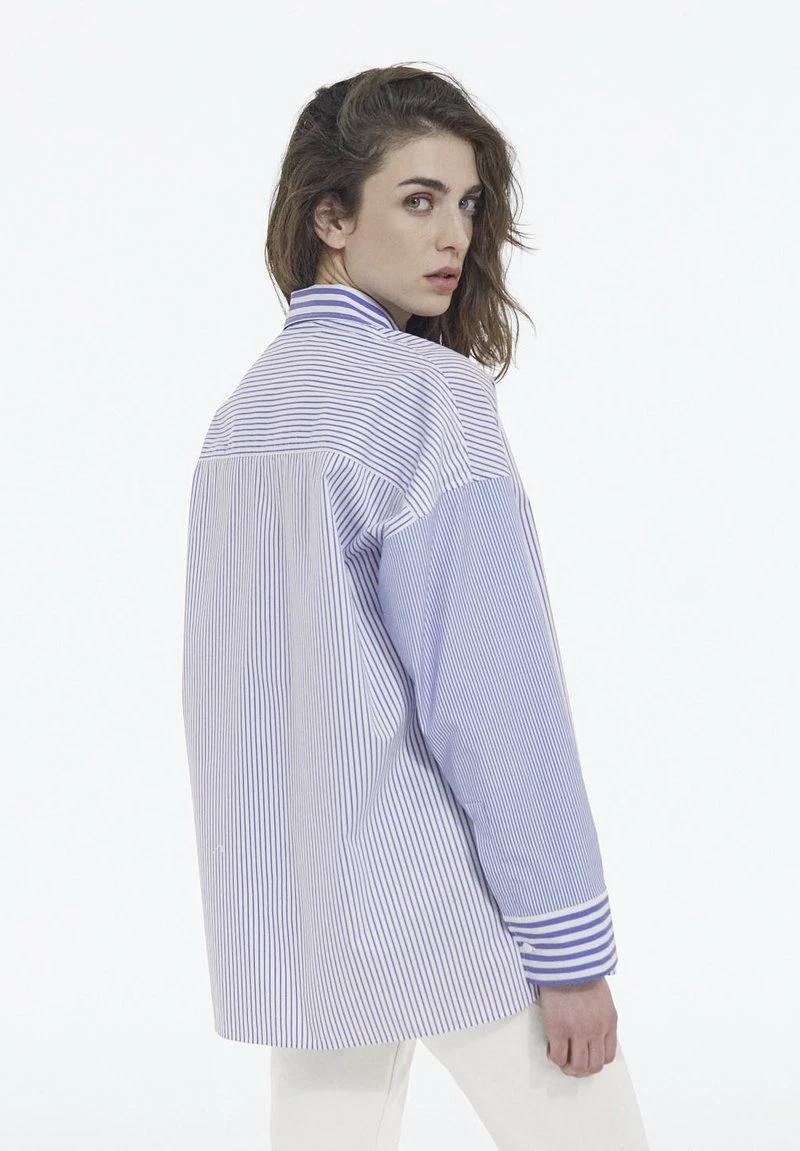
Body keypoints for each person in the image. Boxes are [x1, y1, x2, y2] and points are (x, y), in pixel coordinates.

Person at [181, 62, 651, 1150]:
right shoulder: (426, 396)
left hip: (297, 907)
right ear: (331, 218)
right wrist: (568, 946)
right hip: (436, 895)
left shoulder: (245, 415)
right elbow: (492, 695)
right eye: (418, 199)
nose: (454, 236)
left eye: (468, 203)